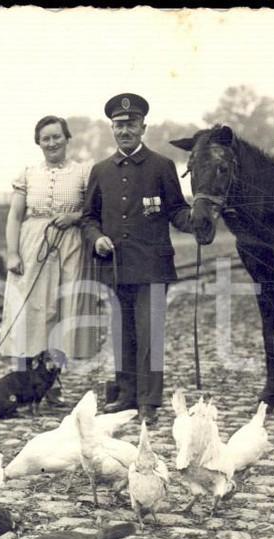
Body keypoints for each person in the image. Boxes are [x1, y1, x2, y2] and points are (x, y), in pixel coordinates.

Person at [79, 93, 200, 426]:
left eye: (131, 124)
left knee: (150, 336)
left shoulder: (161, 166)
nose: (125, 130)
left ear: (143, 127)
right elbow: (89, 217)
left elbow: (176, 209)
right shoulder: (101, 170)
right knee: (122, 333)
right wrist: (97, 238)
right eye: (119, 125)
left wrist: (195, 221)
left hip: (152, 266)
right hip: (115, 267)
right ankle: (127, 395)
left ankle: (149, 402)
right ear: (112, 129)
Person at [0, 115, 100, 401]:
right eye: (46, 138)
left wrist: (74, 217)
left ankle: (51, 382)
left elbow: (95, 211)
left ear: (67, 139)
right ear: (38, 143)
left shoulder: (83, 172)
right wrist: (12, 252)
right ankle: (21, 379)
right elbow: (15, 216)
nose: (52, 142)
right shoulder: (28, 173)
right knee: (28, 310)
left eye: (57, 136)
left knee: (64, 310)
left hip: (71, 247)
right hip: (33, 247)